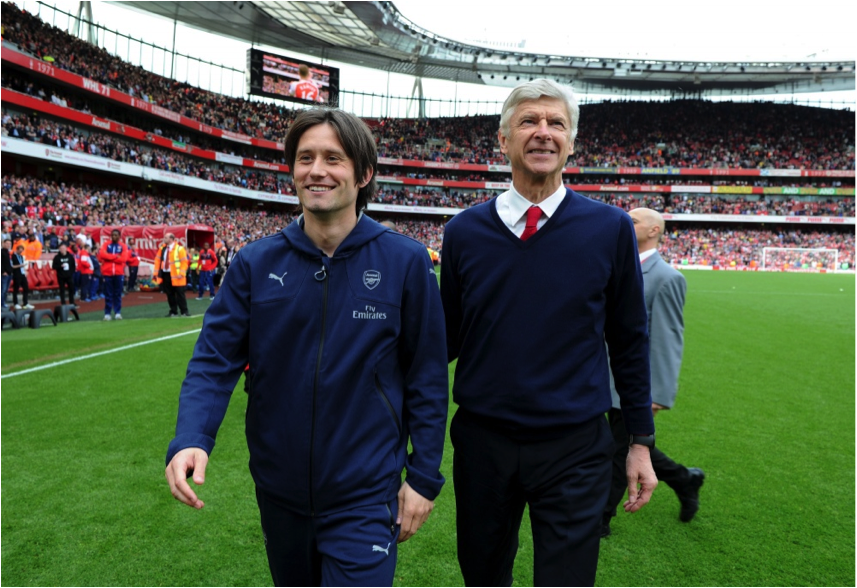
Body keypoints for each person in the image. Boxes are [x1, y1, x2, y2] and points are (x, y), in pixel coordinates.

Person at [165, 108, 448, 587]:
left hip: (365, 495)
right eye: (305, 158)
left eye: (333, 158)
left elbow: (428, 376)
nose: (317, 170)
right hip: (279, 493)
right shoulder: (255, 263)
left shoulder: (405, 261)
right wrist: (192, 435)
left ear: (364, 174)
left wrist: (423, 478)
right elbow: (213, 360)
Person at [440, 79, 657, 587]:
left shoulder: (609, 229)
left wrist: (641, 442)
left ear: (572, 142)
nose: (543, 132)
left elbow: (629, 340)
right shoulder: (463, 232)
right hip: (483, 442)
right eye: (529, 122)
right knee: (482, 576)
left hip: (575, 445)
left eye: (556, 123)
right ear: (503, 139)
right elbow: (444, 338)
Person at [602, 208, 703, 537]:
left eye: (632, 221)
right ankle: (684, 478)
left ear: (653, 230)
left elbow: (667, 337)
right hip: (603, 374)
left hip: (632, 382)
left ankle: (599, 519)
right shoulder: (616, 266)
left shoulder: (667, 277)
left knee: (619, 447)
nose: (624, 223)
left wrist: (657, 392)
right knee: (621, 441)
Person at [154, 233, 190, 318]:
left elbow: (184, 262)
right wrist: (156, 273)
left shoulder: (179, 249)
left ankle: (184, 311)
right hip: (166, 274)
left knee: (180, 294)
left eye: (165, 237)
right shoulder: (162, 248)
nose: (164, 239)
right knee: (169, 294)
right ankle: (173, 311)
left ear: (171, 239)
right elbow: (158, 260)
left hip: (177, 275)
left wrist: (182, 273)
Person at [98, 229, 130, 320]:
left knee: (117, 293)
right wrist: (116, 256)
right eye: (112, 235)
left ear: (119, 236)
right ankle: (107, 313)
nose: (114, 237)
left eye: (116, 235)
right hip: (107, 273)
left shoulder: (123, 246)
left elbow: (123, 259)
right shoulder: (106, 244)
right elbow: (102, 255)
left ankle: (117, 312)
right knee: (108, 294)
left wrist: (109, 257)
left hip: (119, 273)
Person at [51, 242, 76, 306]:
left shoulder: (70, 256)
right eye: (61, 249)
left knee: (71, 289)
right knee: (62, 290)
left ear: (66, 249)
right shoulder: (57, 257)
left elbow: (73, 266)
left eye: (63, 248)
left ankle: (72, 302)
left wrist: (71, 273)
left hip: (69, 276)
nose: (62, 250)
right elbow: (53, 266)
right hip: (61, 276)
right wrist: (60, 266)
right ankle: (63, 303)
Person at [10, 244, 33, 310]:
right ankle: (15, 303)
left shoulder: (21, 256)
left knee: (26, 288)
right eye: (20, 251)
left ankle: (25, 303)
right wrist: (20, 265)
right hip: (16, 274)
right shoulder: (13, 256)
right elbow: (12, 266)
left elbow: (22, 266)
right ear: (17, 250)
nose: (21, 252)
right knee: (16, 289)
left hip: (22, 274)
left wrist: (25, 271)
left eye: (22, 251)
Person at [1, 238, 12, 309]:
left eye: (9, 244)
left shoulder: (8, 252)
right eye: (7, 243)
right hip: (4, 274)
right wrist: (2, 272)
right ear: (3, 244)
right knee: (3, 290)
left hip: (9, 273)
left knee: (6, 290)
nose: (8, 245)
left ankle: (3, 303)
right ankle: (2, 304)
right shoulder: (2, 252)